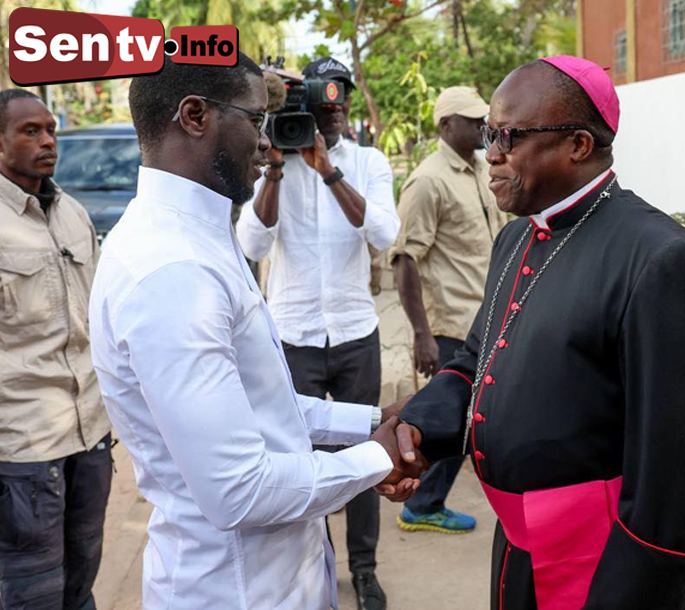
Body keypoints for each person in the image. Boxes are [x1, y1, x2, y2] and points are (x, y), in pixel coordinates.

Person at [392, 56, 685, 609]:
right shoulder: (515, 239)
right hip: (519, 552)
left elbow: (683, 482)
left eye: (509, 136)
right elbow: (478, 361)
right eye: (489, 134)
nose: (492, 153)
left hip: (609, 570)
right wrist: (417, 429)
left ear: (578, 144)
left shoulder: (662, 258)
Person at [88, 54, 422, 610]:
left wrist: (371, 420)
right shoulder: (171, 269)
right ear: (195, 116)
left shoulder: (196, 233)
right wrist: (378, 457)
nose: (268, 143)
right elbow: (238, 490)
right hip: (236, 590)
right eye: (256, 120)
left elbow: (264, 408)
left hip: (281, 577)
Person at [235, 55, 401, 610]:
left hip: (354, 331)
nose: (332, 110)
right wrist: (276, 170)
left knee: (367, 451)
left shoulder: (368, 161)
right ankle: (318, 562)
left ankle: (365, 568)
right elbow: (252, 243)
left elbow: (383, 234)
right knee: (303, 458)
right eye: (320, 100)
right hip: (294, 335)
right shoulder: (273, 163)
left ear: (349, 103)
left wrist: (328, 171)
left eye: (340, 98)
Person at [0, 89, 112, 610]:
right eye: (31, 131)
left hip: (90, 436)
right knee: (32, 594)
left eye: (50, 130)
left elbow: (98, 318)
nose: (48, 141)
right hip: (23, 449)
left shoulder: (73, 213)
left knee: (81, 581)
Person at [389, 86, 506, 535]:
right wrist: (422, 334)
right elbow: (405, 259)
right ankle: (421, 505)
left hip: (486, 318)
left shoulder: (482, 168)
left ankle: (425, 502)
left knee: (469, 420)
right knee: (455, 421)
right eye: (472, 120)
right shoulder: (427, 181)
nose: (482, 127)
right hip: (453, 325)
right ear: (445, 125)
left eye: (483, 120)